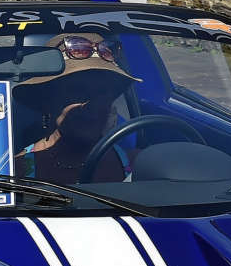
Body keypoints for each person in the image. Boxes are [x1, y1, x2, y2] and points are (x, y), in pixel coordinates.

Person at [13, 34, 139, 183]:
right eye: (77, 91)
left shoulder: (137, 164)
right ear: (47, 101)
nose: (92, 104)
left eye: (102, 92)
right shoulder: (20, 169)